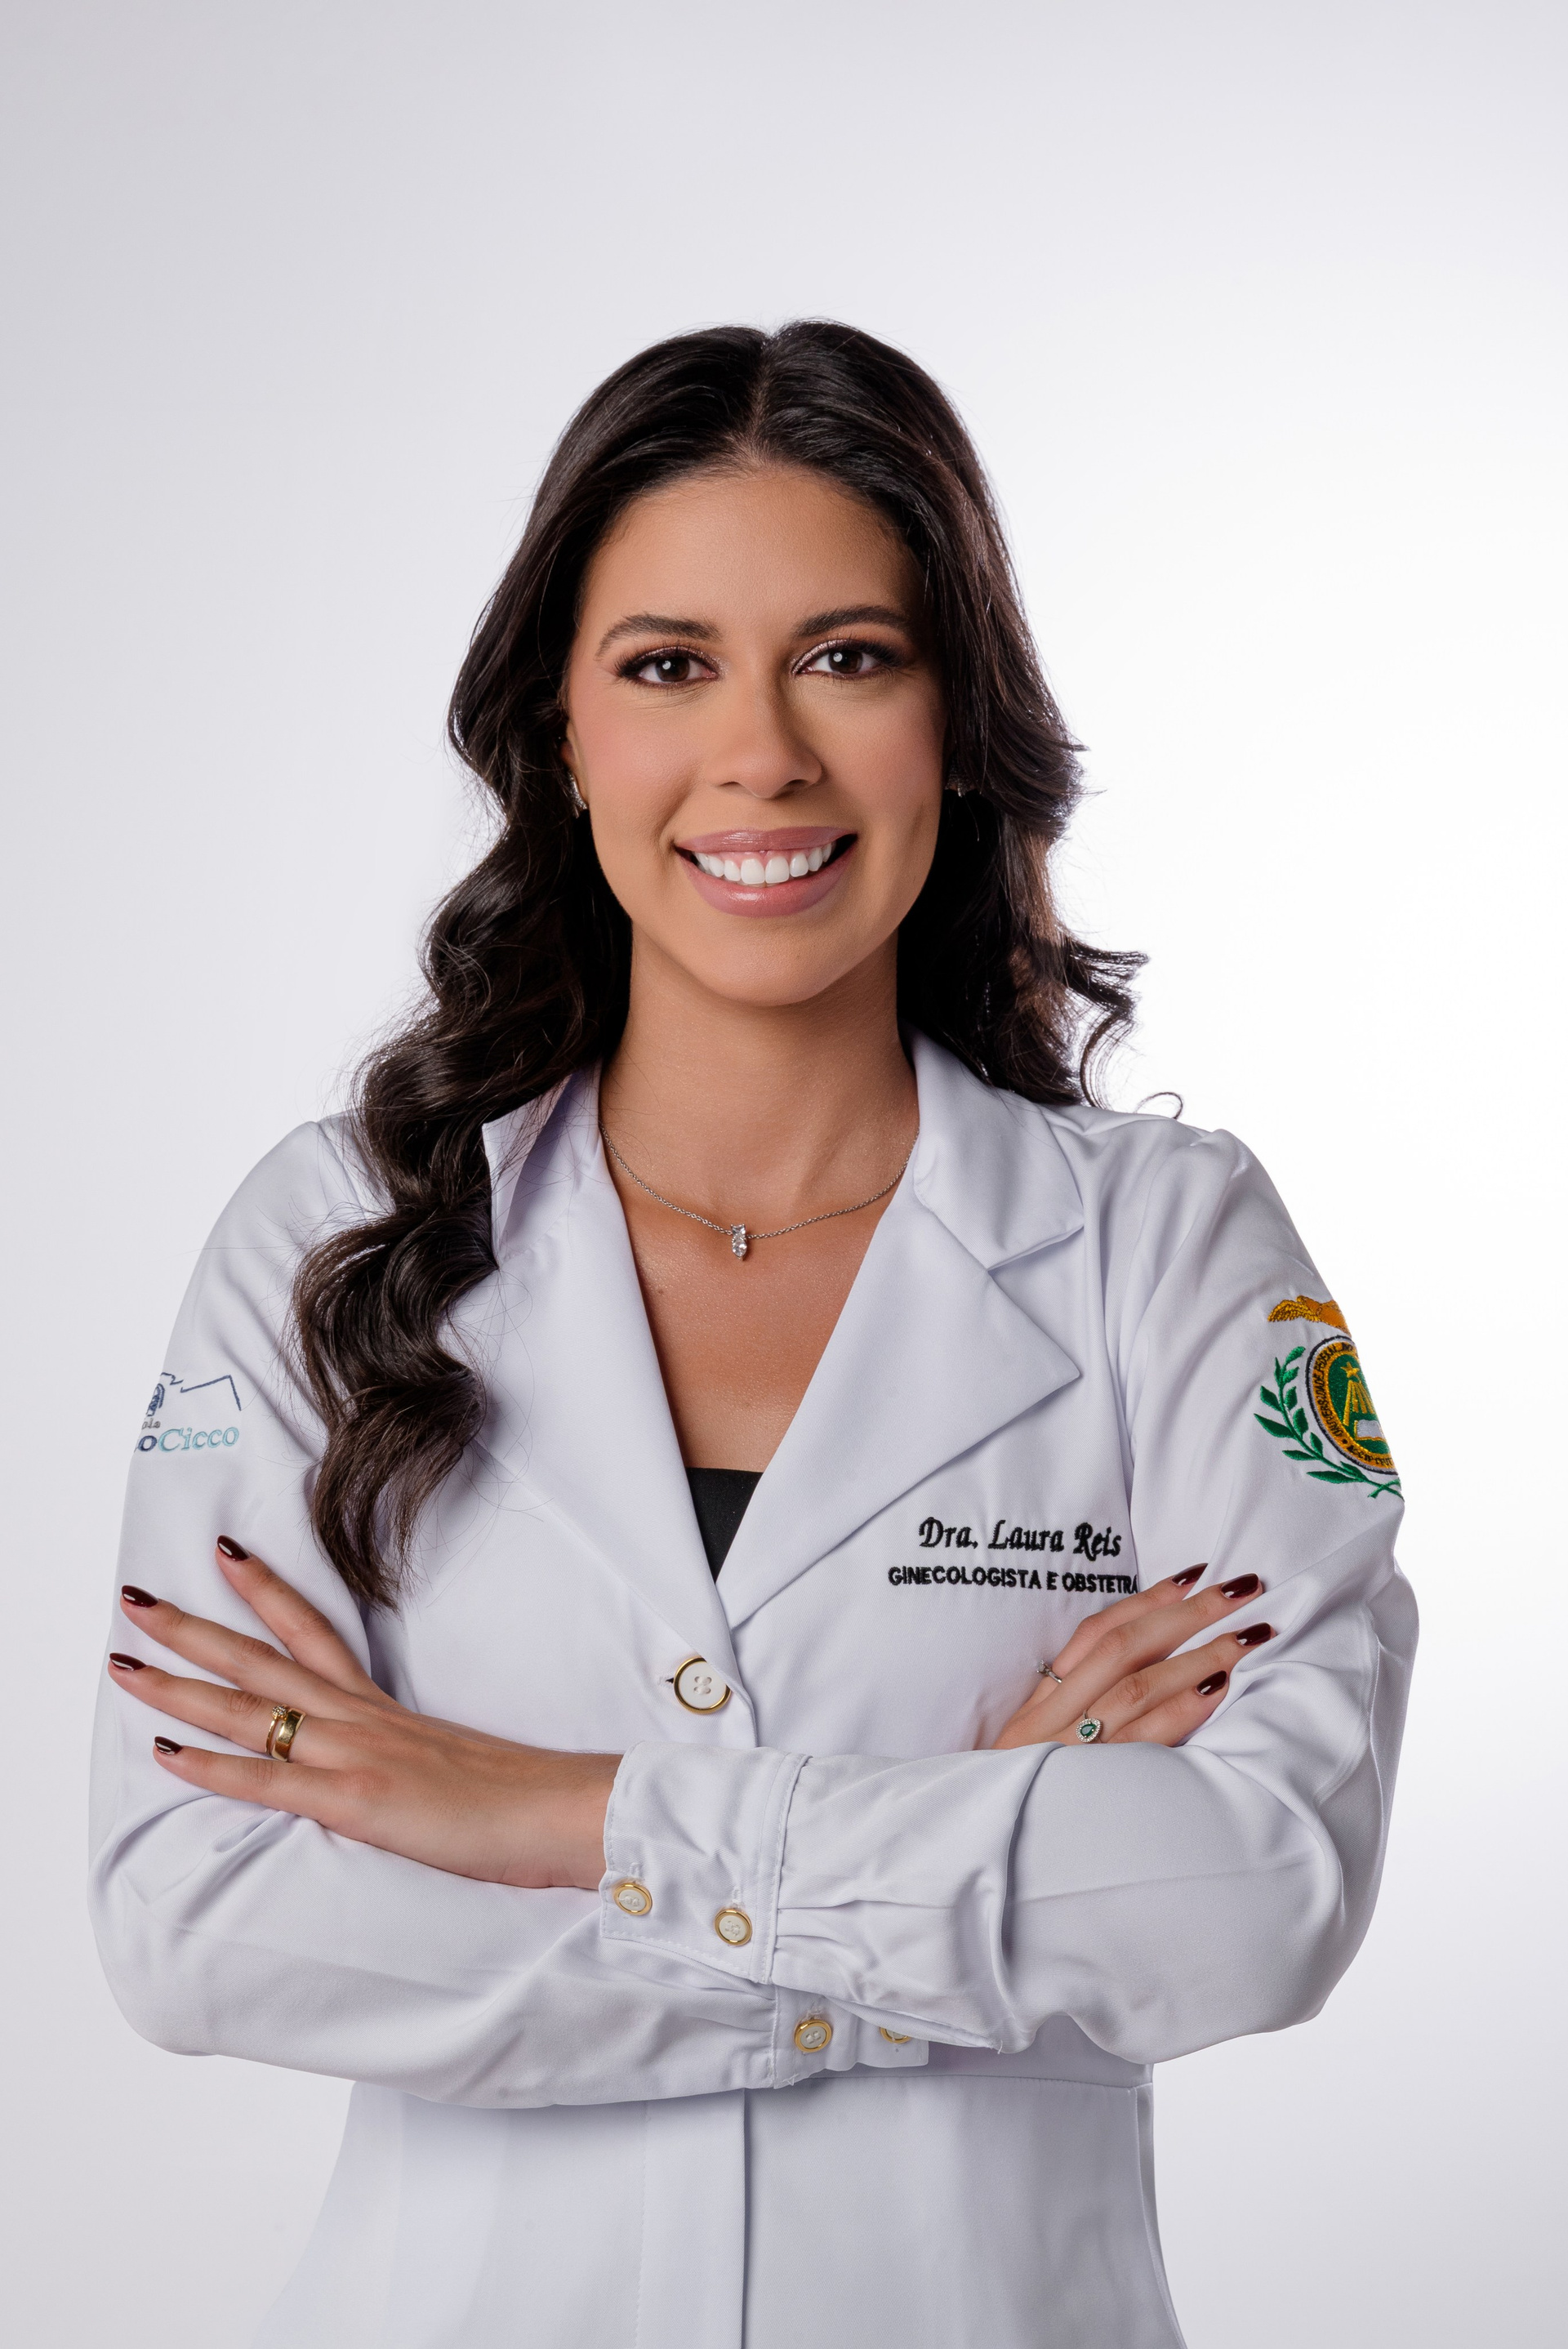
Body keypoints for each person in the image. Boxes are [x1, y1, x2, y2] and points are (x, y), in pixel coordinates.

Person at [90, 322, 1415, 2349]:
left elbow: (1260, 1898)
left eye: (850, 656)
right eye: (668, 665)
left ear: (958, 718)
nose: (764, 755)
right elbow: (196, 1919)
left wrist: (548, 1813)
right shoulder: (336, 1239)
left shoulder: (1168, 1246)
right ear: (561, 730)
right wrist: (949, 1878)